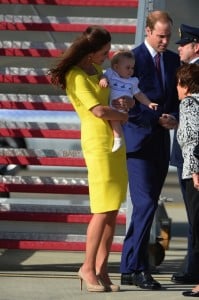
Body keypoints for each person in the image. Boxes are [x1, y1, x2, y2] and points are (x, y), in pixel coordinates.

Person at [49, 25, 129, 293]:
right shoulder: (75, 75)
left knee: (113, 209)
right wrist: (124, 116)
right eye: (104, 52)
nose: (107, 56)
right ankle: (86, 266)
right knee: (101, 208)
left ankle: (101, 269)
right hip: (97, 144)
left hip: (115, 143)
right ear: (91, 52)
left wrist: (124, 105)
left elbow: (113, 101)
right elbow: (97, 110)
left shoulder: (98, 71)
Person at [115, 10, 180, 290]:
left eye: (168, 36)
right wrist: (156, 118)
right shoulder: (133, 59)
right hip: (138, 142)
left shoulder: (172, 60)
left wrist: (173, 117)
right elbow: (126, 102)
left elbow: (175, 97)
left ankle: (128, 266)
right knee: (144, 205)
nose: (165, 41)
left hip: (160, 142)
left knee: (148, 206)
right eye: (161, 35)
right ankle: (139, 268)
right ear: (148, 31)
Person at [170, 24, 199, 285]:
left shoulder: (193, 82)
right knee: (193, 217)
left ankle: (196, 272)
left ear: (196, 46)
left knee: (196, 216)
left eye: (184, 43)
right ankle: (193, 269)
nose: (179, 48)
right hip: (188, 157)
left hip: (195, 161)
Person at [99, 50, 158, 152]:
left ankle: (118, 139)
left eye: (132, 68)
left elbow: (138, 94)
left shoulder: (132, 81)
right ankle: (117, 138)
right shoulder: (111, 74)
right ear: (116, 67)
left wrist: (149, 103)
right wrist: (103, 80)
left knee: (115, 119)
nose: (131, 70)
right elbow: (103, 76)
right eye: (127, 68)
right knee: (112, 121)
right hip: (109, 105)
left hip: (121, 108)